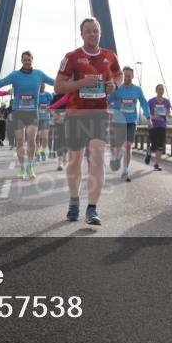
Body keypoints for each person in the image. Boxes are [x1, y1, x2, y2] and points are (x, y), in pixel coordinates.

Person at [54, 17, 121, 225]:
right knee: (75, 159)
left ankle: (92, 209)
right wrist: (83, 82)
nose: (92, 34)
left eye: (95, 31)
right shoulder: (71, 57)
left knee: (98, 156)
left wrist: (114, 86)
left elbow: (118, 75)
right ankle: (74, 200)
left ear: (100, 33)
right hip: (76, 114)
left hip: (99, 113)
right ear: (81, 34)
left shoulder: (109, 56)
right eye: (88, 31)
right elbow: (58, 87)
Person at [0, 50, 55, 179]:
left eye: (29, 59)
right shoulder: (15, 75)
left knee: (31, 140)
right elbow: (0, 83)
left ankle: (30, 166)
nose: (27, 62)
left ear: (32, 60)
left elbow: (54, 82)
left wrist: (71, 82)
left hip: (32, 113)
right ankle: (22, 167)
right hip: (18, 112)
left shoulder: (39, 74)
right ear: (21, 61)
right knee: (20, 141)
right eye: (25, 60)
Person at [108, 66, 151, 181]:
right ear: (122, 76)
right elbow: (107, 101)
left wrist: (148, 117)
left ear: (132, 76)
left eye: (129, 76)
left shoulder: (137, 90)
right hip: (119, 121)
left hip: (131, 122)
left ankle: (125, 170)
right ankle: (116, 157)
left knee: (128, 146)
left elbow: (144, 103)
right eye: (125, 75)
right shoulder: (117, 89)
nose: (127, 78)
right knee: (118, 147)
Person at [145, 83, 172, 170]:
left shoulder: (166, 101)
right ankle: (149, 151)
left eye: (162, 89)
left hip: (162, 125)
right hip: (153, 126)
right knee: (155, 144)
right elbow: (145, 112)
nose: (161, 91)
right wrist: (152, 117)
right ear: (156, 91)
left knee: (160, 145)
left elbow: (168, 112)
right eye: (159, 89)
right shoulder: (151, 101)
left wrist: (169, 114)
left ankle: (156, 164)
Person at [37, 82, 53, 162]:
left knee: (45, 138)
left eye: (43, 86)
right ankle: (37, 154)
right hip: (36, 118)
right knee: (37, 137)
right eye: (41, 86)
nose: (42, 87)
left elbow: (54, 104)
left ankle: (42, 152)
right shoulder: (36, 95)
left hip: (46, 118)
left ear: (45, 86)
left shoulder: (49, 95)